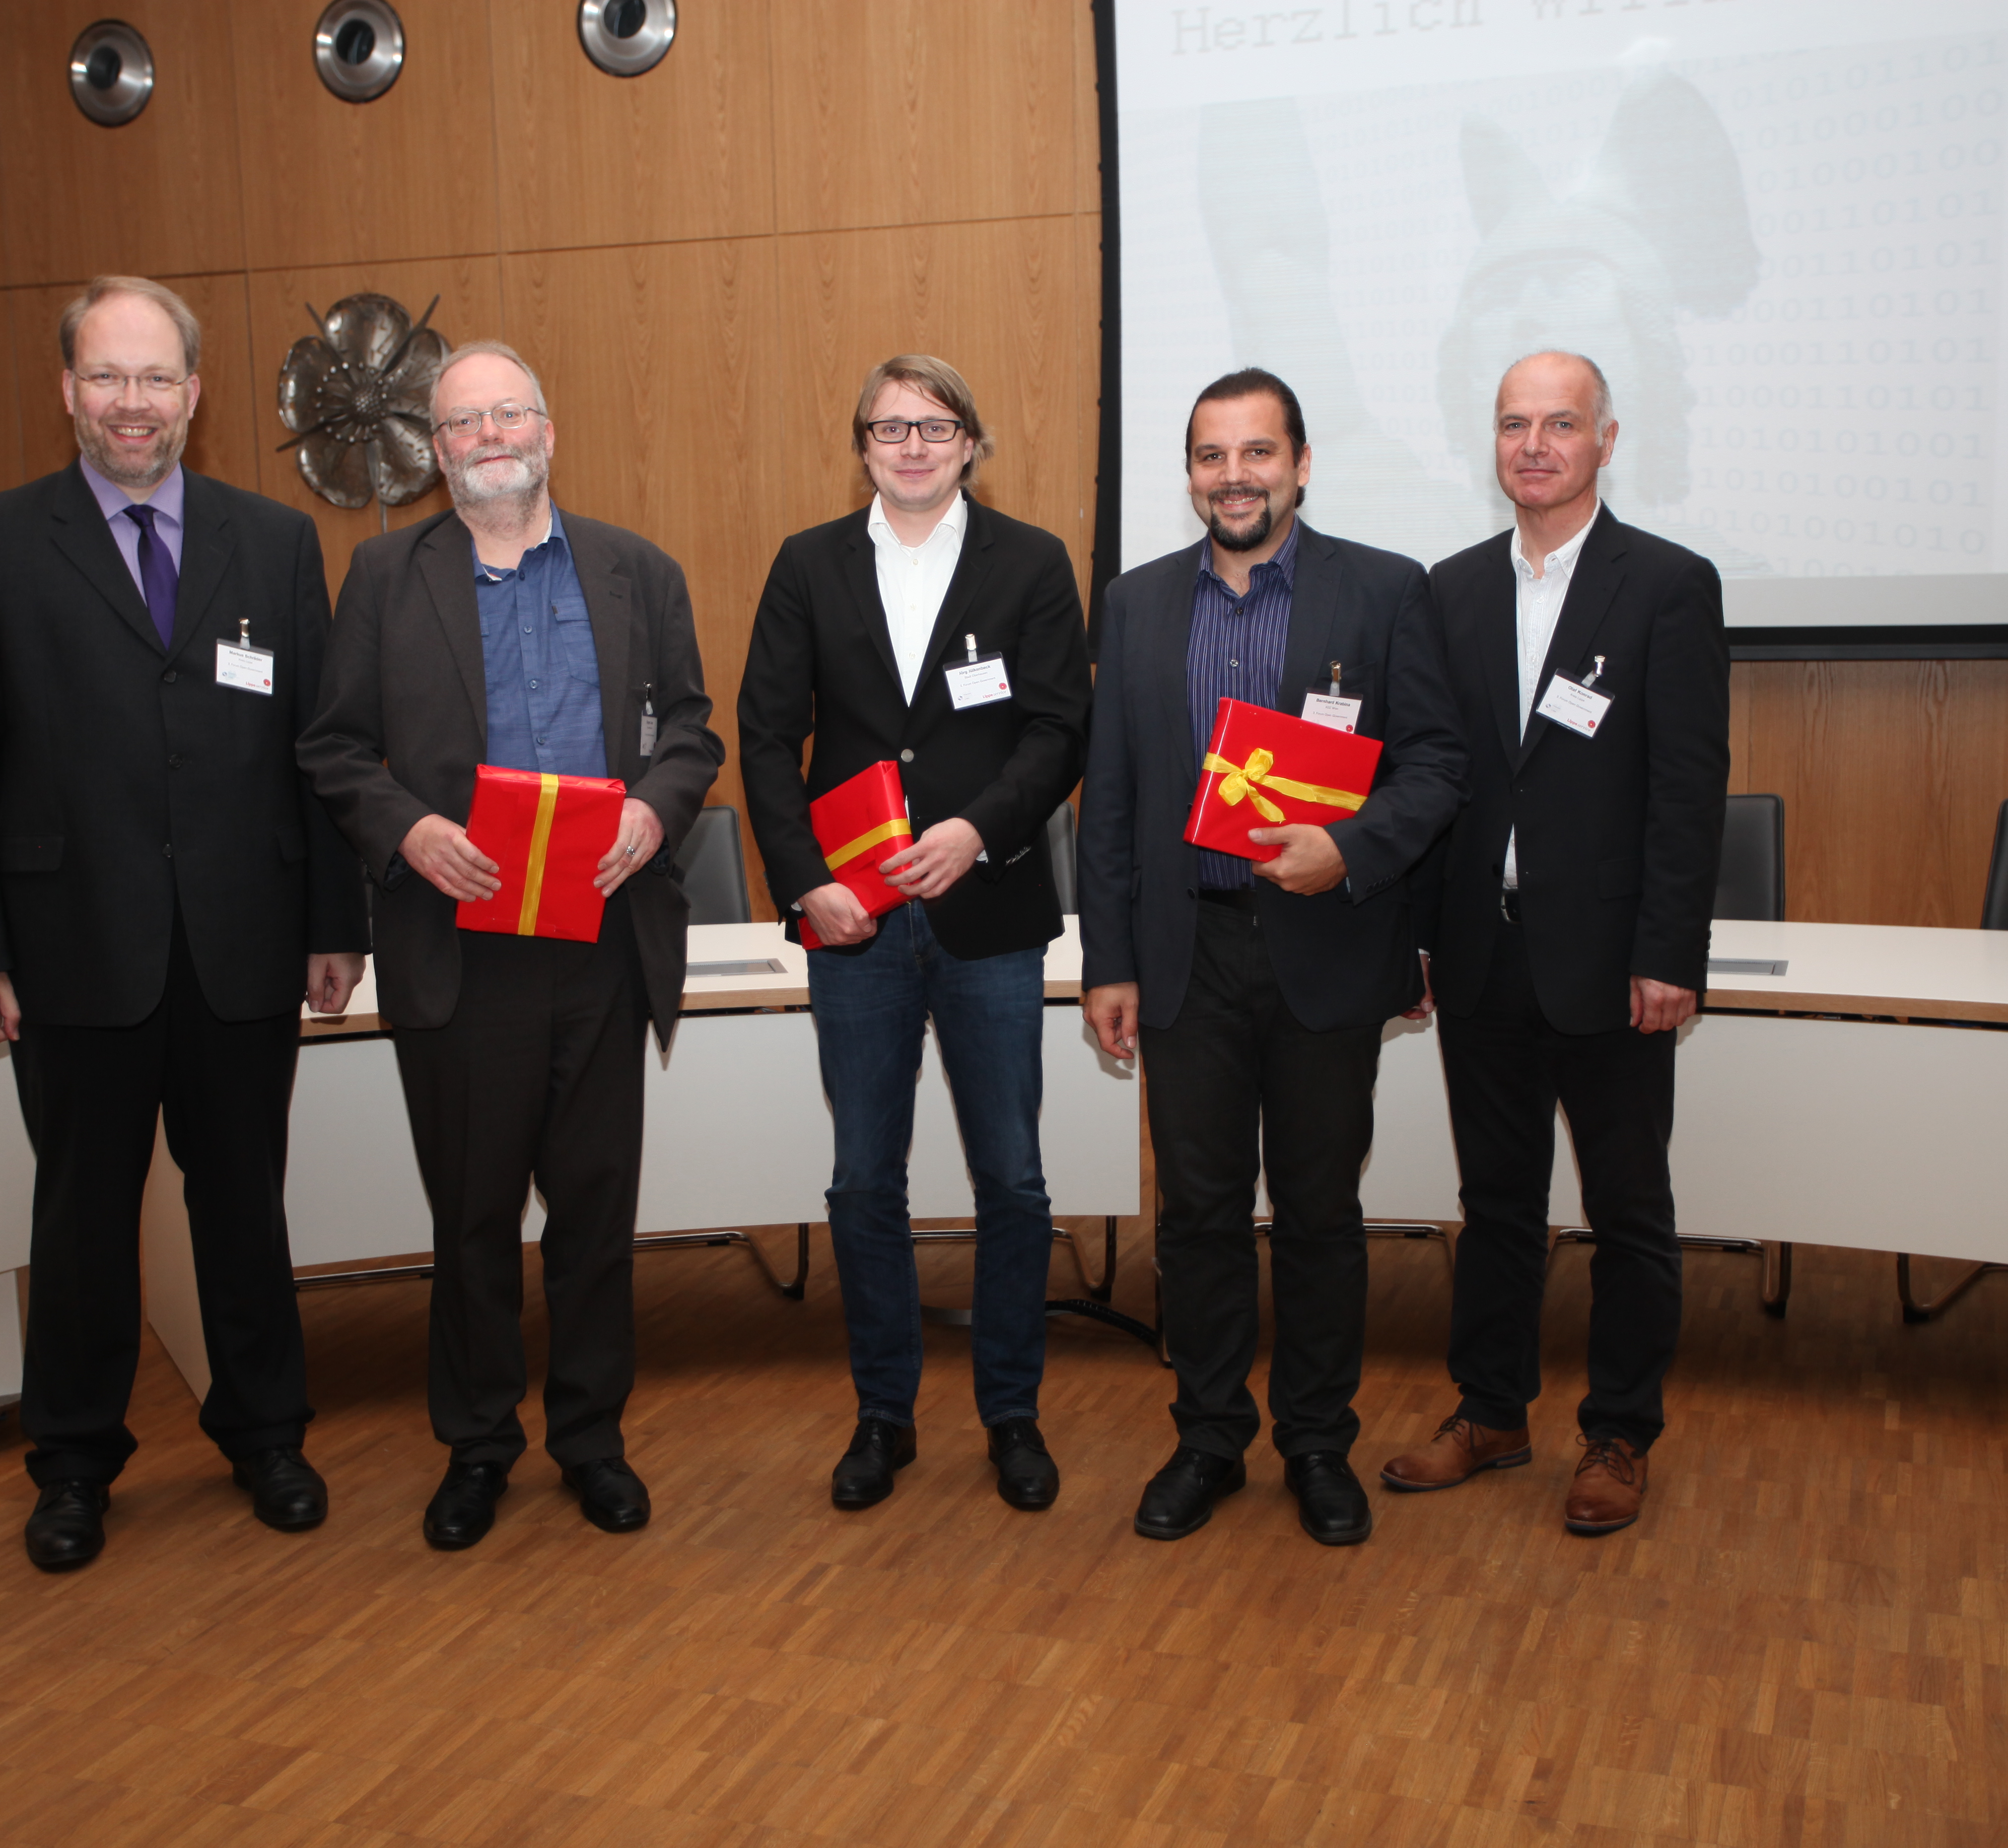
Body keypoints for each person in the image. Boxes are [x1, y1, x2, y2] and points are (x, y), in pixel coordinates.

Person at [0, 275, 369, 1571]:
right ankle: (71, 1465)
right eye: (107, 378)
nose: (133, 403)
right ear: (67, 390)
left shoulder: (274, 544)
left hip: (244, 938)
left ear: (194, 393)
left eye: (156, 378)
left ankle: (269, 1434)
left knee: (246, 1208)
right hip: (71, 954)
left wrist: (334, 925)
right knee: (80, 1223)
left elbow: (316, 750)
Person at [298, 341, 722, 1552]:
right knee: (474, 1222)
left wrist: (656, 806)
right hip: (458, 947)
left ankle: (593, 1440)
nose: (491, 437)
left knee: (595, 1220)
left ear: (549, 429)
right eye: (466, 422)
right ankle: (478, 1443)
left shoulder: (639, 571)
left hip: (601, 937)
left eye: (509, 414)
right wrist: (411, 830)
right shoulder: (385, 578)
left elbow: (690, 729)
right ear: (437, 451)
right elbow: (334, 750)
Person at [1077, 368, 1465, 1546]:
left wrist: (1346, 851)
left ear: (1300, 465)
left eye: (1256, 454)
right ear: (1189, 473)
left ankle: (1315, 1443)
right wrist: (1108, 962)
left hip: (1325, 952)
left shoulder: (1386, 593)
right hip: (1185, 954)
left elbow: (1438, 769)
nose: (1232, 476)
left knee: (1316, 1214)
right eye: (1210, 456)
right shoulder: (1138, 605)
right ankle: (1206, 1439)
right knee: (1195, 1216)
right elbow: (1113, 801)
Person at [736, 356, 1093, 1514]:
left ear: (972, 444)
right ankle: (882, 1416)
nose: (913, 445)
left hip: (988, 915)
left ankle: (1012, 1416)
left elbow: (1059, 731)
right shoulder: (808, 565)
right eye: (891, 427)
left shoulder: (1032, 563)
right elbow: (763, 740)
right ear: (863, 448)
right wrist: (803, 887)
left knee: (1015, 1180)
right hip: (855, 925)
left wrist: (977, 832)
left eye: (936, 426)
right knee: (861, 1182)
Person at [1384, 350, 1729, 1536]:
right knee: (1498, 1201)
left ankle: (1621, 1434)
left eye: (1560, 424)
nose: (1535, 445)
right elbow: (1433, 779)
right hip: (1482, 951)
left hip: (1613, 959)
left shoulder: (1668, 585)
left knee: (1630, 1208)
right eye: (1514, 425)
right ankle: (1490, 1412)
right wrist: (1420, 938)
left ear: (1607, 440)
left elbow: (1689, 789)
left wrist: (1671, 953)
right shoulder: (1451, 589)